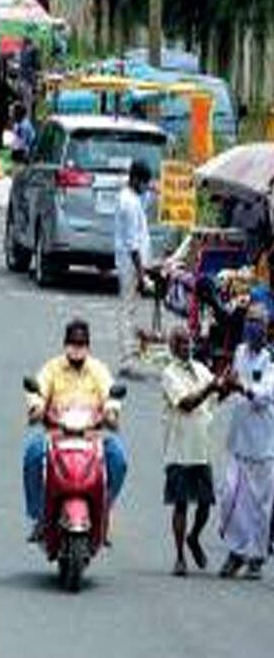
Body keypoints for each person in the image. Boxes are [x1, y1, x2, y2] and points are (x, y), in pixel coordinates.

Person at [22, 319, 127, 542]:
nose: (77, 348)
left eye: (81, 343)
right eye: (73, 343)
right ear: (65, 344)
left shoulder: (98, 370)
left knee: (118, 457)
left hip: (91, 436)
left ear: (88, 345)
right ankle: (39, 514)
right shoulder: (52, 369)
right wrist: (37, 408)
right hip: (57, 435)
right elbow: (37, 392)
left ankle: (104, 508)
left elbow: (110, 393)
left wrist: (111, 412)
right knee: (33, 453)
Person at [216, 304, 274, 579]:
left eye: (257, 322)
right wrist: (223, 387)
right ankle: (236, 551)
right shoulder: (240, 352)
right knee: (230, 496)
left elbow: (262, 396)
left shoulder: (271, 359)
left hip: (263, 444)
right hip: (239, 439)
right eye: (249, 321)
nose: (252, 326)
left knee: (260, 505)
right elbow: (233, 382)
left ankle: (256, 557)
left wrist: (242, 387)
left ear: (267, 327)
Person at [161, 327, 217, 576]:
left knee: (205, 504)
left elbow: (215, 396)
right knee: (181, 504)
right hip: (179, 448)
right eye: (181, 343)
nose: (187, 347)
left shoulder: (201, 369)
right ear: (173, 347)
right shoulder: (169, 374)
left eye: (189, 342)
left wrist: (228, 385)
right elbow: (186, 404)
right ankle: (180, 556)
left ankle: (194, 537)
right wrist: (211, 388)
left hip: (201, 447)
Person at [114, 159, 154, 376]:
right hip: (130, 265)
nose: (147, 187)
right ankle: (127, 361)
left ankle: (131, 357)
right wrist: (141, 275)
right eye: (145, 182)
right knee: (128, 313)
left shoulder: (132, 198)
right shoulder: (129, 204)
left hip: (132, 264)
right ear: (136, 179)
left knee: (131, 311)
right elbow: (132, 245)